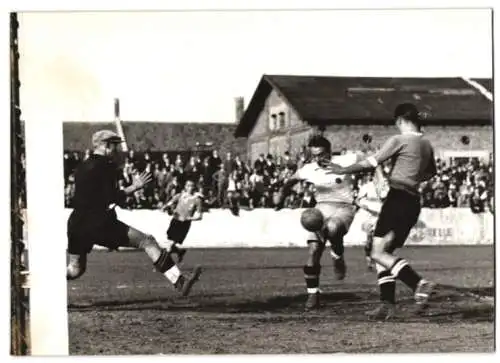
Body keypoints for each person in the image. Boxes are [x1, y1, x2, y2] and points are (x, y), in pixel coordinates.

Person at [324, 103, 437, 320]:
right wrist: (409, 178)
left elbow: (371, 162)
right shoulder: (426, 143)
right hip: (413, 201)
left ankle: (418, 284)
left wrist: (343, 169)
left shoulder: (399, 140)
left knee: (377, 253)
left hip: (397, 199)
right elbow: (430, 172)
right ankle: (387, 305)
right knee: (385, 255)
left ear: (399, 121)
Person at [66, 130, 202, 297]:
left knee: (75, 269)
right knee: (147, 241)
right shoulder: (106, 166)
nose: (118, 150)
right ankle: (180, 282)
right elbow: (112, 197)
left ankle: (42, 280)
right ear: (107, 146)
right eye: (116, 146)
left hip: (76, 222)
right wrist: (135, 186)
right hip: (98, 222)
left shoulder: (82, 165)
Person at [275, 135, 362, 311]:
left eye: (321, 155)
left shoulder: (346, 160)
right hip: (320, 209)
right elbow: (290, 181)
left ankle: (337, 255)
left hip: (343, 208)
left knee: (332, 228)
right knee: (314, 250)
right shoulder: (309, 169)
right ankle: (313, 294)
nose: (318, 159)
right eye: (314, 155)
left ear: (330, 152)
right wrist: (281, 197)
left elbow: (371, 160)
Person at [162, 179, 204, 263]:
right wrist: (165, 207)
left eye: (191, 186)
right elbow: (170, 203)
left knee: (170, 245)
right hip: (175, 220)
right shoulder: (180, 195)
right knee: (170, 242)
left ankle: (163, 263)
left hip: (184, 224)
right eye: (188, 185)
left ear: (194, 187)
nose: (190, 188)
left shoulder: (197, 200)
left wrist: (190, 218)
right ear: (185, 187)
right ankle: (180, 252)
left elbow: (200, 216)